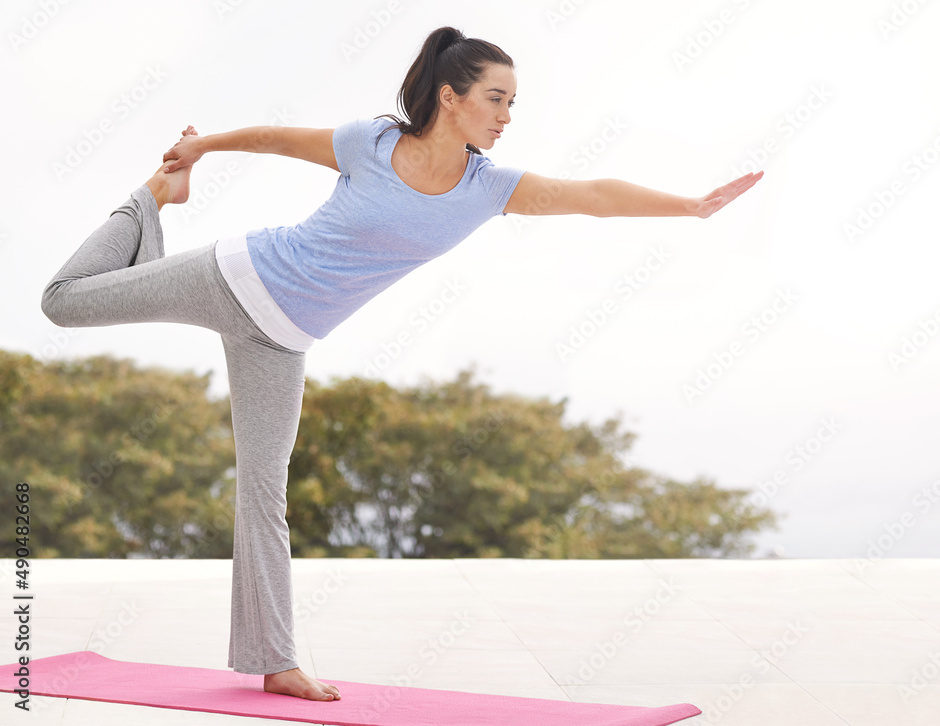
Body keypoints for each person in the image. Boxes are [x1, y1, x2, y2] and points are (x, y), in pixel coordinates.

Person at [40, 25, 762, 703]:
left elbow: (594, 197)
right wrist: (197, 152)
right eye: (495, 98)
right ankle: (149, 202)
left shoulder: (488, 190)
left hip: (284, 341)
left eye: (513, 102)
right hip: (238, 276)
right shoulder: (372, 142)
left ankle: (276, 663)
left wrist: (691, 207)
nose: (507, 115)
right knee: (63, 302)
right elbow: (275, 139)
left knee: (263, 492)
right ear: (451, 97)